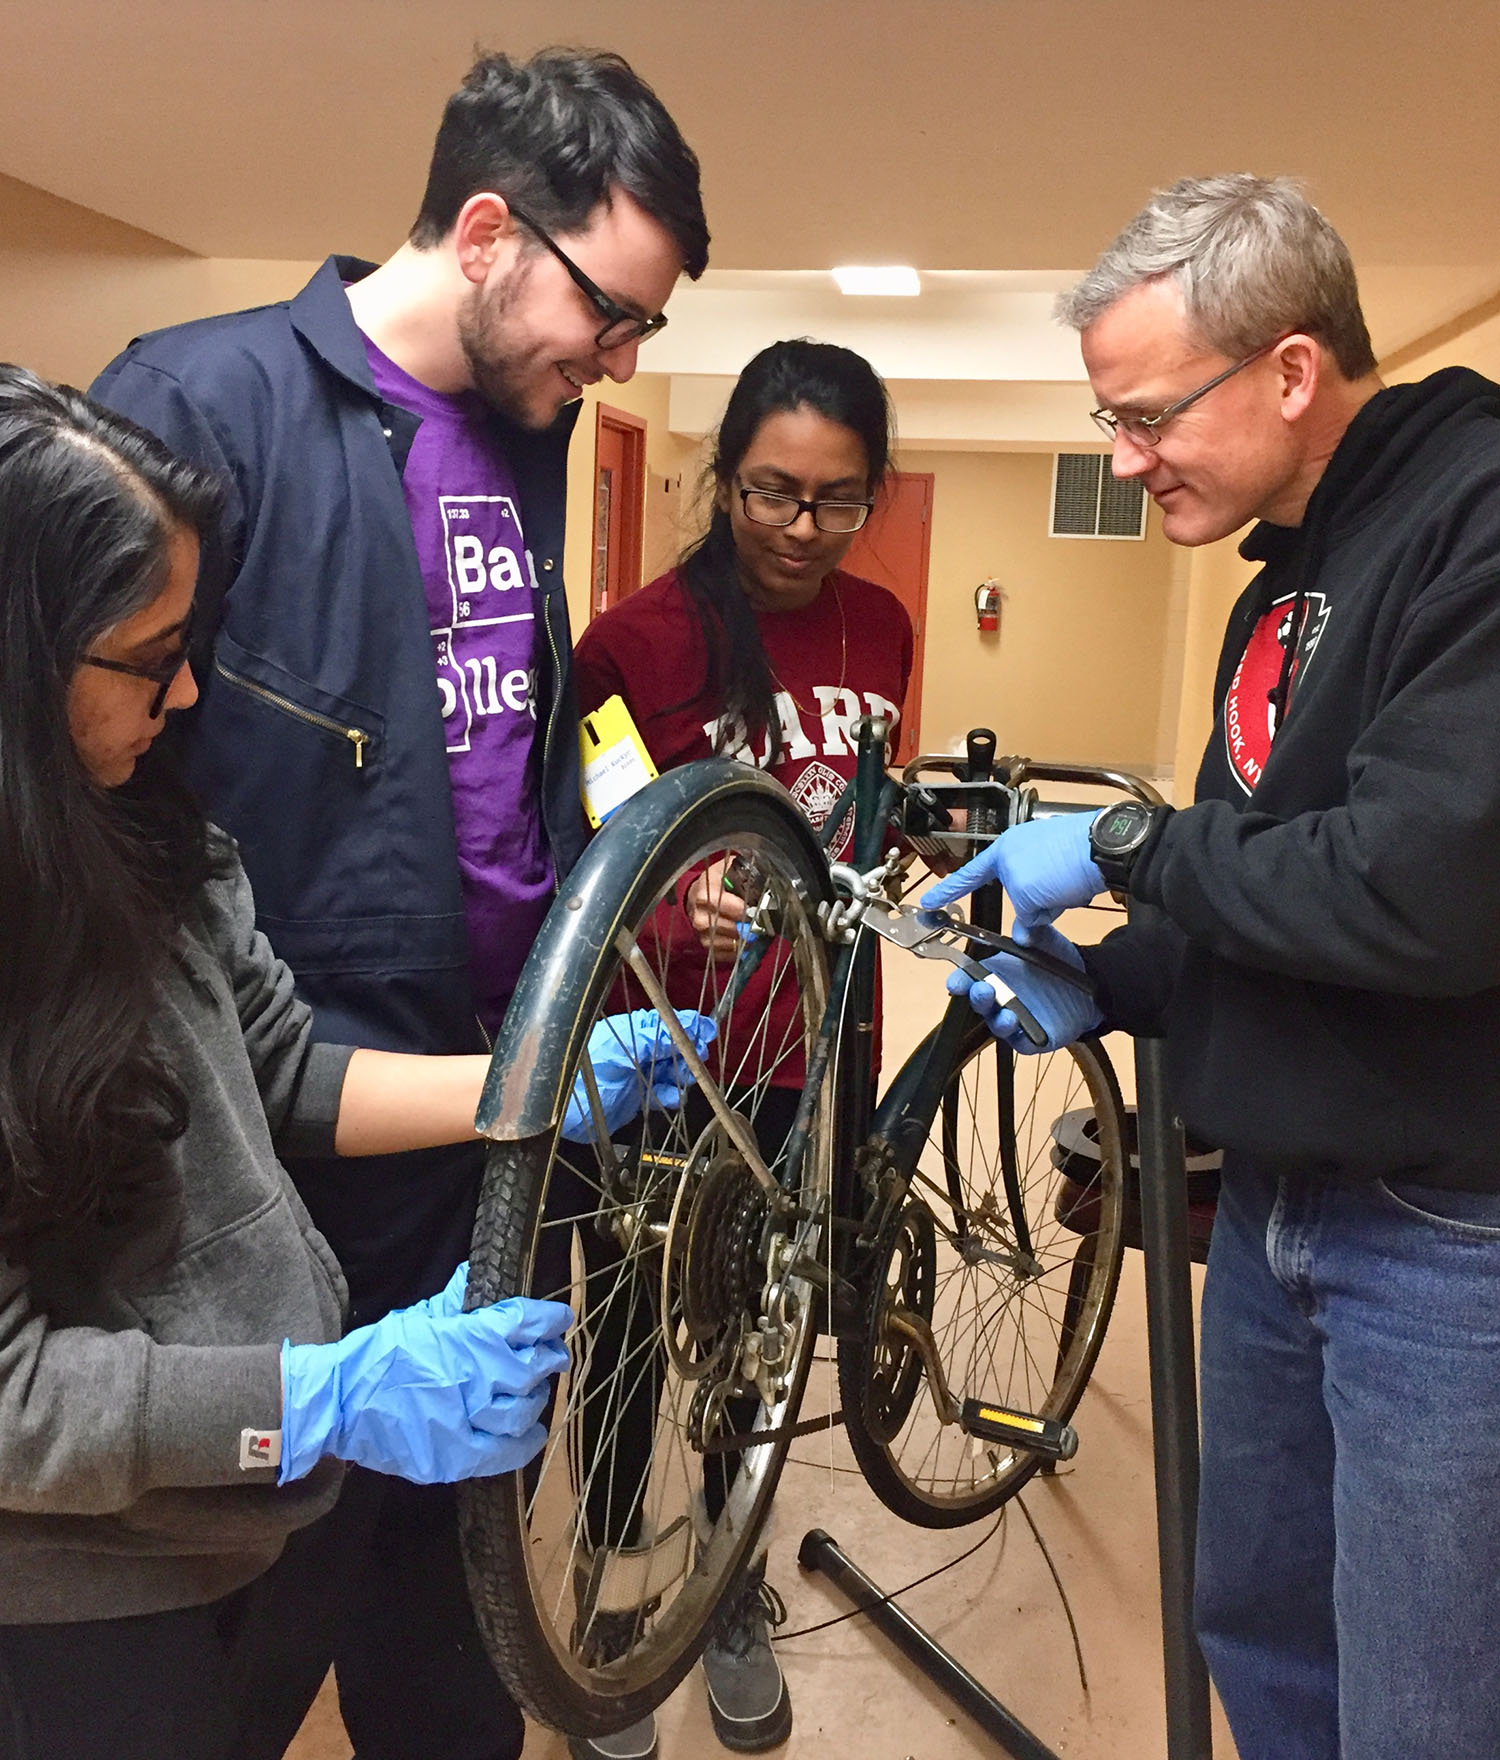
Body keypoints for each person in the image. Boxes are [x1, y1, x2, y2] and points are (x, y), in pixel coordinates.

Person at [90, 48, 709, 1760]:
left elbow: (513, 710)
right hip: (285, 1146)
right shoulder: (199, 404)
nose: (621, 357)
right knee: (259, 1614)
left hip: (483, 1107)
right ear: (492, 231)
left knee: (453, 1628)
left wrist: (606, 922)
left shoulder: (528, 422)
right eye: (614, 311)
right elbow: (92, 790)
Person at [926, 174, 1500, 1760]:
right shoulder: (1285, 570)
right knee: (1259, 1626)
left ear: (1294, 370)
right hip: (1273, 1206)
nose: (1124, 458)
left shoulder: (1475, 516)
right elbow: (1267, 872)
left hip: (1448, 1238)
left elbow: (1419, 891)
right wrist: (1117, 978)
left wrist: (1121, 851)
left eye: (1148, 414)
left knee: (1427, 1702)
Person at [0, 370, 577, 1760]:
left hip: (238, 1519)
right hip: (72, 1602)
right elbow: (13, 1399)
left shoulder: (140, 829)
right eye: (147, 656)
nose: (188, 689)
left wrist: (528, 1089)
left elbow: (270, 1074)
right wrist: (318, 1397)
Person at [573, 338, 911, 1757]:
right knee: (634, 1339)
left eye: (837, 500)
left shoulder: (883, 624)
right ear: (726, 475)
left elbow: (868, 801)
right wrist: (671, 885)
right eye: (772, 490)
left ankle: (725, 1581)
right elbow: (588, 828)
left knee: (751, 1326)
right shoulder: (636, 642)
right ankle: (606, 1596)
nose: (798, 528)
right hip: (659, 1045)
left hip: (804, 1044)